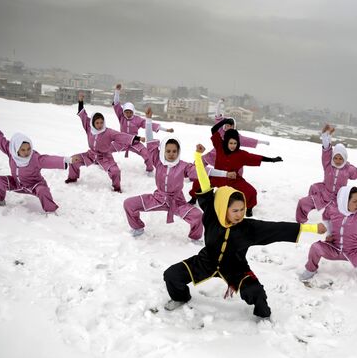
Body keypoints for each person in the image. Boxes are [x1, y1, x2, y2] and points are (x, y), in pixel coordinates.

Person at [163, 144, 327, 319]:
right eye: (235, 211)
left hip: (236, 268)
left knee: (256, 292)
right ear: (223, 208)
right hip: (205, 261)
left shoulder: (248, 228)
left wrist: (312, 228)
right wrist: (197, 156)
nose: (240, 214)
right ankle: (181, 297)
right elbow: (204, 182)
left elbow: (279, 229)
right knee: (171, 275)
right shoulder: (212, 214)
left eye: (242, 209)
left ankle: (263, 317)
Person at [123, 112, 203, 241]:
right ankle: (137, 228)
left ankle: (195, 238)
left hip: (177, 202)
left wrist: (224, 174)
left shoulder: (184, 166)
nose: (171, 154)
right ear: (163, 151)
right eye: (168, 151)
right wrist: (148, 121)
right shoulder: (158, 161)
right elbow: (150, 142)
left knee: (198, 215)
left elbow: (201, 172)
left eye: (174, 151)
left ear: (178, 152)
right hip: (158, 198)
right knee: (129, 204)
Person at [296, 124, 357, 223]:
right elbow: (326, 150)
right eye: (336, 158)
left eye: (340, 158)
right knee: (303, 202)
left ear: (345, 158)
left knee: (335, 218)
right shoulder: (328, 165)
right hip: (324, 195)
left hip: (339, 200)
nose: (338, 161)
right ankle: (301, 222)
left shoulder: (348, 169)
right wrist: (325, 135)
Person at [189, 118, 283, 217]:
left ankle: (249, 208)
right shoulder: (220, 147)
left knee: (251, 191)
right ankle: (193, 198)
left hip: (233, 179)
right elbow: (213, 130)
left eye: (235, 143)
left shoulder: (241, 154)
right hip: (217, 177)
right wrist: (224, 121)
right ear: (226, 142)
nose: (233, 146)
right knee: (198, 182)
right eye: (231, 143)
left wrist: (272, 160)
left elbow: (256, 157)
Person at [0, 112, 77, 213]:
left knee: (43, 191)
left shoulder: (34, 158)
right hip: (16, 184)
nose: (27, 152)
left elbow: (50, 160)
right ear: (16, 149)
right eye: (23, 150)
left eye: (28, 149)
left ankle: (51, 211)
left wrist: (68, 160)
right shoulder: (11, 152)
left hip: (35, 185)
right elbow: (0, 139)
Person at [65, 92, 142, 192]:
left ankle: (116, 187)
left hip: (105, 157)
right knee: (73, 160)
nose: (99, 125)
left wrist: (137, 138)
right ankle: (72, 178)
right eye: (97, 123)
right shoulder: (89, 127)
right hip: (91, 154)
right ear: (93, 123)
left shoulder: (108, 132)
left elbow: (122, 136)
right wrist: (80, 101)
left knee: (115, 171)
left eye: (101, 122)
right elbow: (83, 115)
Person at [112, 84, 174, 174]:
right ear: (123, 112)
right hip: (121, 142)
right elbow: (117, 104)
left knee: (147, 155)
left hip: (135, 143)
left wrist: (166, 129)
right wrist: (117, 91)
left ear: (133, 111)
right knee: (104, 148)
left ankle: (149, 170)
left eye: (130, 112)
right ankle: (98, 161)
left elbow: (150, 125)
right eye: (126, 112)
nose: (128, 114)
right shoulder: (121, 117)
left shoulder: (137, 120)